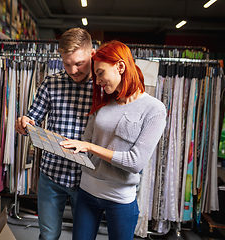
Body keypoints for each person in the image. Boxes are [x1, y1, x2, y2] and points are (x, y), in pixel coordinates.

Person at [59, 40, 166, 240]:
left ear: (120, 66)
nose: (97, 81)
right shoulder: (103, 103)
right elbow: (85, 142)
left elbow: (135, 162)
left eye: (100, 73)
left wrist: (90, 146)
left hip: (120, 199)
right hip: (87, 192)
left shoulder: (154, 109)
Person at [14, 28, 95, 240]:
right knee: (48, 236)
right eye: (66, 64)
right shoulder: (51, 83)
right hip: (52, 173)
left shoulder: (103, 86)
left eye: (79, 63)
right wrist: (25, 123)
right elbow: (33, 119)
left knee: (84, 237)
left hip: (88, 178)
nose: (73, 69)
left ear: (92, 54)